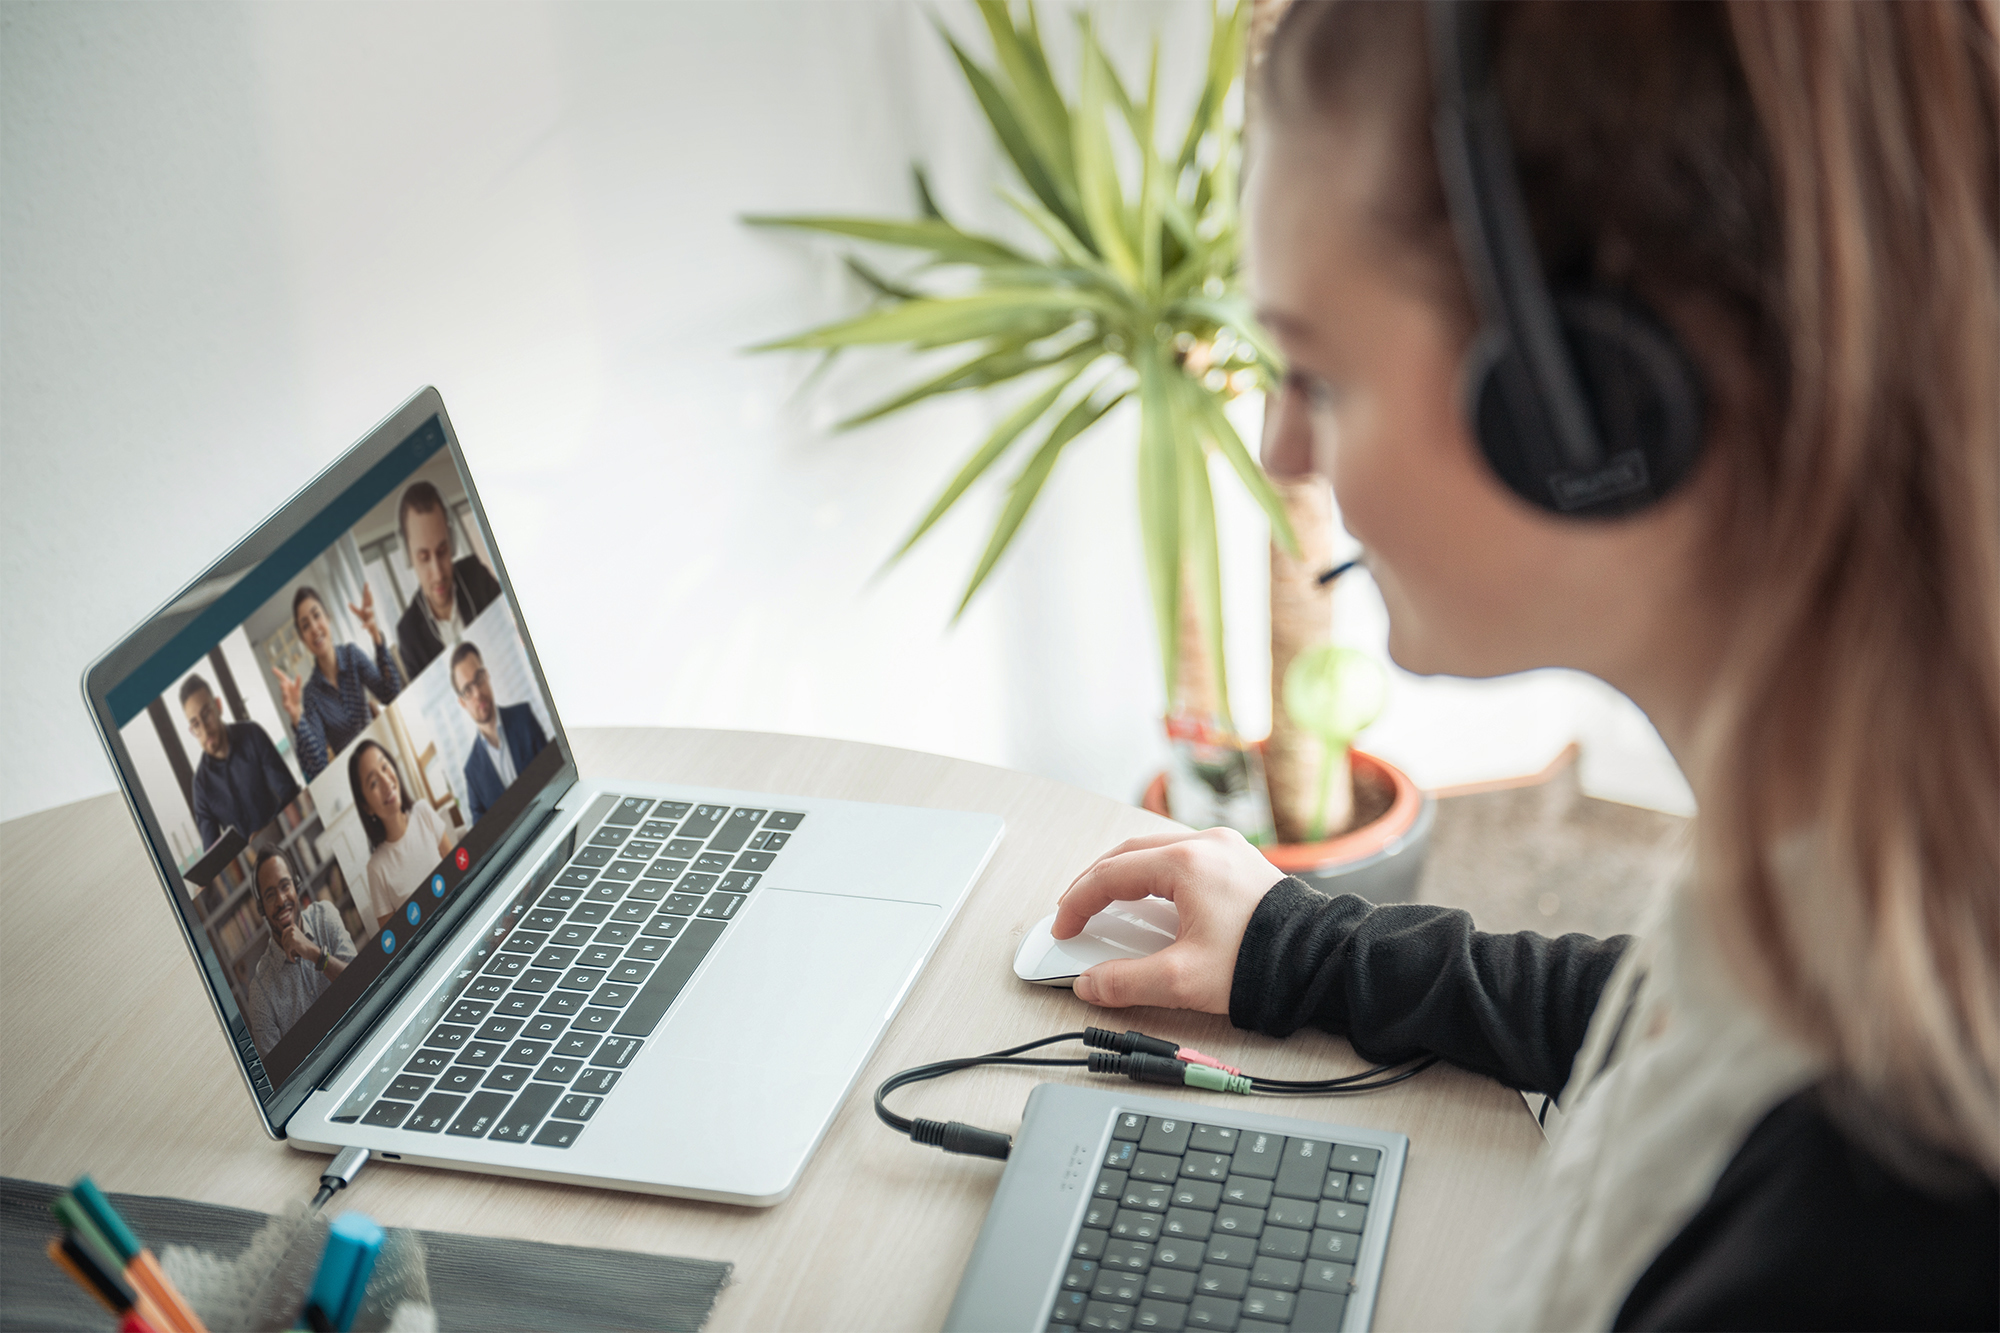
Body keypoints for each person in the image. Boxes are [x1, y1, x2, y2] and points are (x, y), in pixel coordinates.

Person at [1052, 3, 1997, 1327]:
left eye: (1316, 372)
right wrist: (1300, 949)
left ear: (1597, 407)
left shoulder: (1878, 1224)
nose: (1284, 454)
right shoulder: (1882, 881)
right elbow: (1683, 1012)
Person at [275, 584, 403, 782]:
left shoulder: (352, 656)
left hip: (381, 754)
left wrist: (376, 636)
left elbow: (391, 694)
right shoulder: (311, 695)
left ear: (328, 617)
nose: (315, 628)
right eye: (306, 626)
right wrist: (297, 718)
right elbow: (318, 767)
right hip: (353, 778)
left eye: (317, 616)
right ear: (302, 639)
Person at [242, 841, 354, 1053]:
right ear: (261, 909)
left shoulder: (325, 917)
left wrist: (315, 954)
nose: (281, 900)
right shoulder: (261, 992)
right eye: (270, 895)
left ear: (296, 886)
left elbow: (363, 985)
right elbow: (277, 1074)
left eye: (285, 886)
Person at [393, 481, 501, 680]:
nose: (438, 573)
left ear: (452, 541)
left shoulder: (477, 575)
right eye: (424, 558)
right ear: (408, 557)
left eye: (442, 552)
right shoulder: (408, 635)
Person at [179, 674, 299, 850]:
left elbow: (290, 793)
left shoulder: (253, 735)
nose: (204, 729)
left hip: (288, 840)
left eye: (206, 714)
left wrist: (266, 832)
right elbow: (214, 854)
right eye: (196, 724)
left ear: (218, 706)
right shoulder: (200, 786)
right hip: (252, 868)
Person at [348, 738, 453, 931]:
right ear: (366, 807)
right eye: (373, 782)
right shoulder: (376, 869)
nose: (386, 782)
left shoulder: (423, 812)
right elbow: (394, 942)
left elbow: (458, 871)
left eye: (385, 767)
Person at [450, 643, 549, 825]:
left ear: (487, 676)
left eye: (479, 678)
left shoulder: (524, 717)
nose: (478, 692)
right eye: (467, 690)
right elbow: (484, 834)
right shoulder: (472, 771)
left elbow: (554, 774)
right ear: (462, 702)